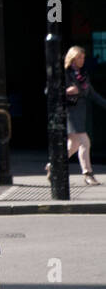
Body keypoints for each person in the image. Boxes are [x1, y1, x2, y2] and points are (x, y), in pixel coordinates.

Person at [52, 46, 106, 185]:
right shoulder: (64, 73)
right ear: (73, 58)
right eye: (79, 57)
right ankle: (88, 174)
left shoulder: (83, 75)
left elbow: (92, 94)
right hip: (69, 114)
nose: (82, 60)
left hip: (80, 114)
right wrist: (66, 91)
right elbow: (50, 91)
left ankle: (53, 166)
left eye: (83, 57)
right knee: (85, 142)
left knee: (73, 145)